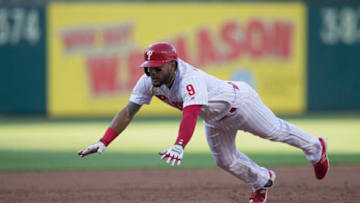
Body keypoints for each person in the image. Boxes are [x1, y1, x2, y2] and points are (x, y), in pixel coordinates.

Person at [78, 42, 329, 203]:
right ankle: (262, 181)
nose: (152, 73)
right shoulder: (149, 82)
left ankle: (315, 148)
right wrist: (104, 141)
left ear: (172, 65)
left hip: (239, 103)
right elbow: (128, 111)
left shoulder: (190, 79)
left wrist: (179, 145)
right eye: (149, 68)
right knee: (224, 160)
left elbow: (190, 114)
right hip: (215, 118)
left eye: (157, 68)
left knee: (275, 132)